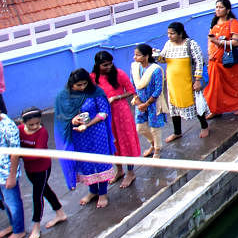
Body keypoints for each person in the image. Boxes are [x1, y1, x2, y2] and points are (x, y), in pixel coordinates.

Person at [54, 69, 116, 209]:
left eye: (84, 84)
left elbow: (104, 112)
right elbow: (61, 117)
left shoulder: (96, 92)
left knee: (101, 161)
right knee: (86, 163)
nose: (82, 88)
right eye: (78, 85)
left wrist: (88, 124)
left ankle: (103, 193)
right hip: (78, 135)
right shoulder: (64, 96)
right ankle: (93, 191)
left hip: (97, 132)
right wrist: (73, 120)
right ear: (71, 84)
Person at [91, 50, 141, 189]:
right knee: (113, 142)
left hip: (121, 112)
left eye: (110, 64)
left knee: (126, 141)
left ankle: (130, 172)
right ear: (98, 65)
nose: (108, 67)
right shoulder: (93, 77)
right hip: (105, 115)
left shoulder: (118, 74)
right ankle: (119, 170)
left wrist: (116, 97)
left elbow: (131, 90)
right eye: (105, 65)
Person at [18, 108, 66, 238]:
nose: (34, 127)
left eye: (37, 123)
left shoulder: (42, 132)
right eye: (31, 125)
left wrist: (19, 154)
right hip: (29, 169)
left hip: (42, 168)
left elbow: (38, 153)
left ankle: (36, 226)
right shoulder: (20, 129)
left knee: (37, 195)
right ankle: (60, 213)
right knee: (45, 190)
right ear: (23, 122)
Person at [205, 0, 238, 116]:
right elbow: (210, 39)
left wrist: (219, 43)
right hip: (214, 60)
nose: (218, 9)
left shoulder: (233, 23)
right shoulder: (215, 22)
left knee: (233, 84)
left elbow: (236, 42)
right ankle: (216, 109)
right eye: (216, 7)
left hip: (228, 60)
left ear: (227, 10)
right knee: (215, 87)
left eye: (221, 7)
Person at [159, 22, 210, 141]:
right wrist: (155, 55)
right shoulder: (168, 44)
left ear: (180, 33)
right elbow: (163, 59)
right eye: (168, 33)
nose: (169, 36)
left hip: (188, 82)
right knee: (173, 107)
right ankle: (177, 132)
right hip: (173, 84)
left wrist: (197, 80)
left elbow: (199, 62)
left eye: (172, 34)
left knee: (197, 104)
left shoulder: (191, 44)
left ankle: (204, 126)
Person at [131, 44, 167, 158]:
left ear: (146, 56)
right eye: (135, 55)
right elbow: (133, 85)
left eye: (138, 55)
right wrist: (138, 101)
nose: (135, 58)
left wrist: (147, 104)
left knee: (154, 128)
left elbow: (158, 90)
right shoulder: (135, 68)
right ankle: (153, 144)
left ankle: (157, 149)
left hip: (152, 103)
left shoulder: (155, 70)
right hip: (140, 102)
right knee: (140, 128)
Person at [0, 102, 24, 238]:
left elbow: (15, 154)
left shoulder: (8, 126)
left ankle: (19, 231)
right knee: (4, 202)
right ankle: (12, 226)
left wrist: (11, 176)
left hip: (6, 173)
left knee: (13, 203)